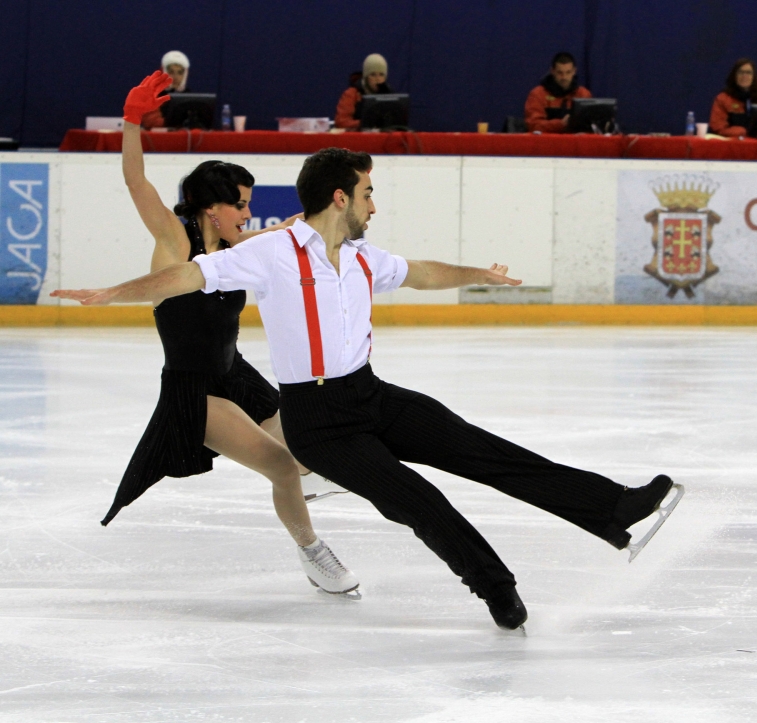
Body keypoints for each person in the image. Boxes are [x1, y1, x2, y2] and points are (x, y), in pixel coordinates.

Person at [52, 147, 681, 631]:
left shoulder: (359, 255)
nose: (374, 206)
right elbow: (189, 275)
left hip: (369, 395)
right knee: (418, 499)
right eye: (368, 194)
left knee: (479, 448)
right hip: (317, 422)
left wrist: (478, 275)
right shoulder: (272, 254)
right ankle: (495, 587)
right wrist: (112, 292)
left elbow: (422, 271)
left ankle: (611, 509)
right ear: (339, 197)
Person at [110, 71, 360, 597]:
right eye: (240, 204)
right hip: (196, 389)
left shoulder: (235, 249)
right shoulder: (174, 243)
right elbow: (137, 183)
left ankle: (308, 478)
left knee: (306, 443)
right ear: (210, 208)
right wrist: (133, 121)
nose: (247, 214)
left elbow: (272, 237)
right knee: (283, 468)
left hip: (235, 374)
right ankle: (315, 554)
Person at [524, 51, 592, 133]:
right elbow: (533, 125)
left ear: (574, 71)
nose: (564, 77)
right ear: (552, 71)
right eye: (560, 73)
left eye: (568, 72)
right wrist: (560, 124)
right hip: (546, 143)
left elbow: (590, 125)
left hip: (574, 143)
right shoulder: (538, 94)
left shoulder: (583, 94)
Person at [709, 58, 757, 138]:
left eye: (748, 73)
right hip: (731, 144)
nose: (744, 76)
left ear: (754, 76)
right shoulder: (723, 99)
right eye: (740, 72)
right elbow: (717, 127)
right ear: (734, 75)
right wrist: (741, 132)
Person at [335, 53, 393, 130]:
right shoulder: (352, 94)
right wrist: (365, 123)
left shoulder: (390, 95)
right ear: (365, 77)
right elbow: (341, 122)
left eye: (381, 75)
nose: (378, 79)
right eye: (373, 75)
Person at [142, 51, 191, 129]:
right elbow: (151, 122)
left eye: (180, 73)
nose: (175, 77)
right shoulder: (152, 95)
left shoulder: (190, 97)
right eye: (171, 72)